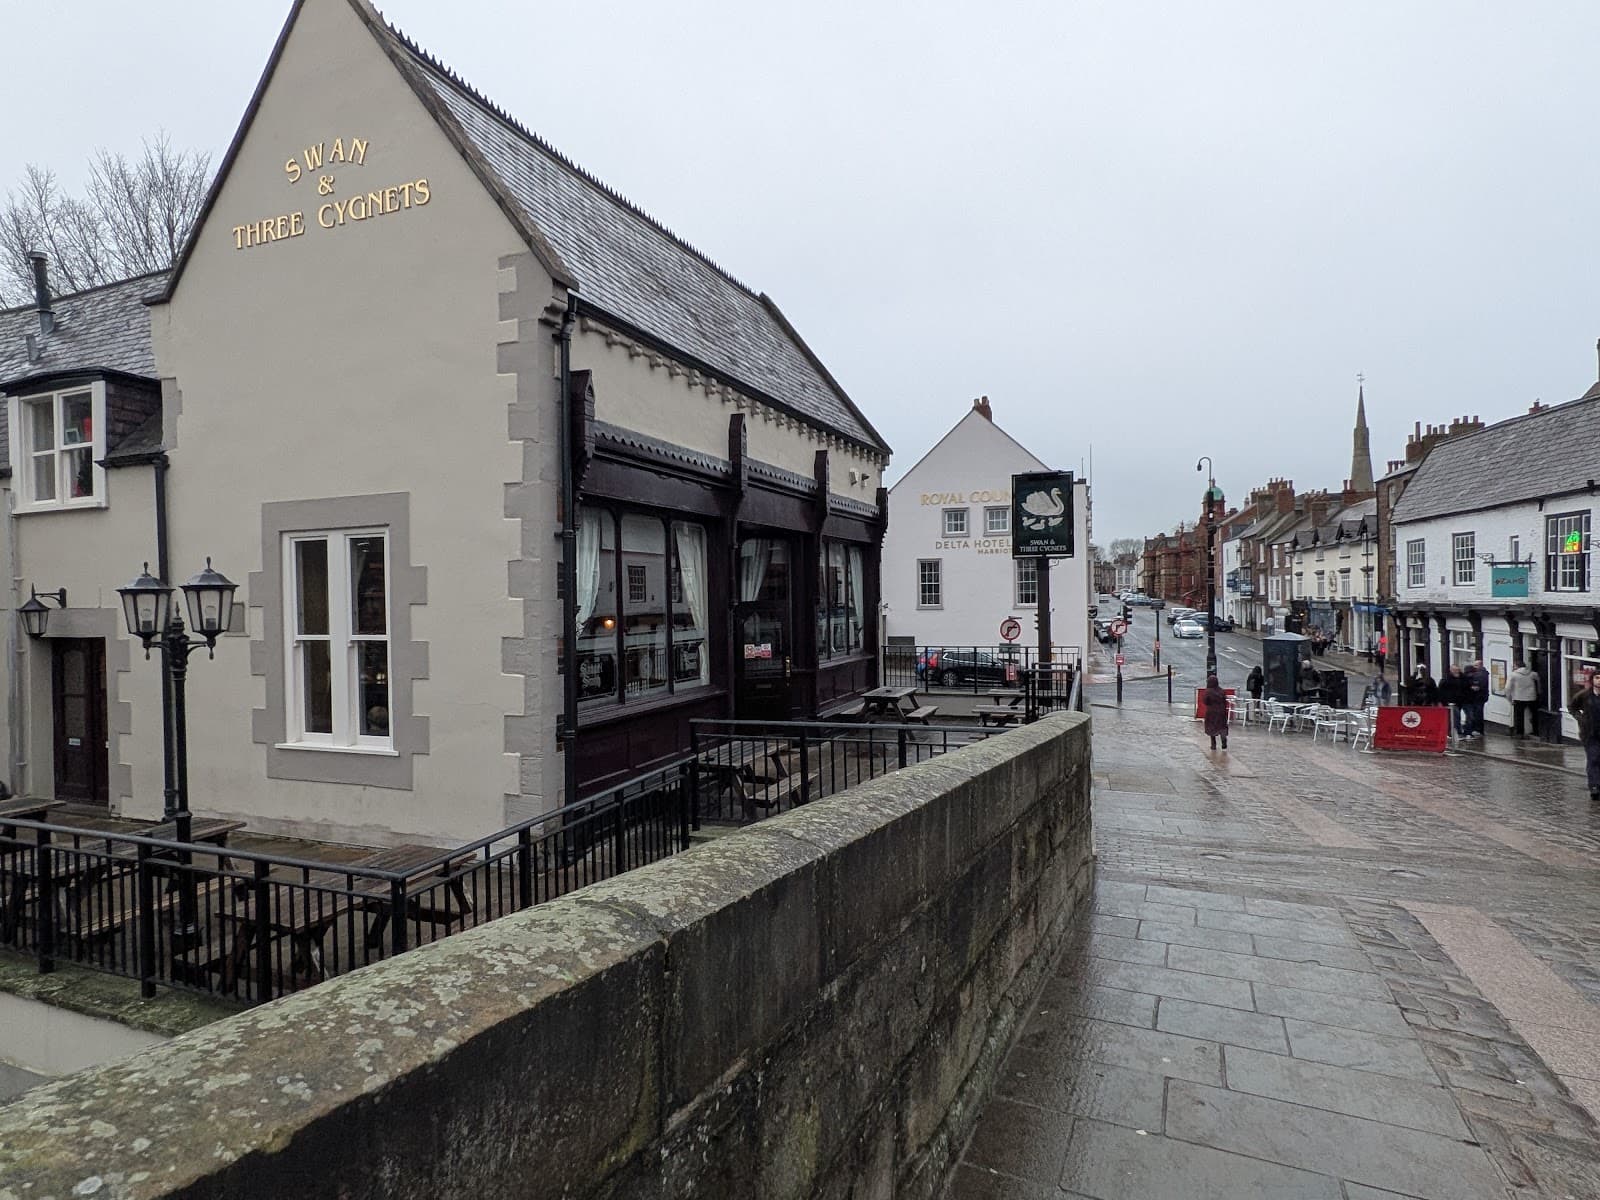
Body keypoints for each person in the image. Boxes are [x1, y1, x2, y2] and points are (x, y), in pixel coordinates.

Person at [1568, 670, 1600, 802]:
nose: (1599, 680)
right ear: (1592, 680)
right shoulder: (1584, 695)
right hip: (1590, 734)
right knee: (1593, 759)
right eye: (1597, 678)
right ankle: (1594, 787)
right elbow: (1572, 707)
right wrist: (1581, 719)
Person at [1508, 660, 1540, 738]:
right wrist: (1539, 691)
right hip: (1532, 697)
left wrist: (1509, 699)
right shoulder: (1533, 674)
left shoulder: (1513, 675)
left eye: (1514, 666)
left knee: (1519, 716)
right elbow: (1538, 681)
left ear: (1516, 666)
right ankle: (1536, 731)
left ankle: (1520, 733)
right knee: (1534, 714)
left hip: (1518, 698)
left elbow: (1507, 688)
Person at [1438, 665, 1466, 737]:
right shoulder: (1446, 679)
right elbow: (1440, 691)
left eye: (1457, 670)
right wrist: (1441, 701)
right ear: (1451, 670)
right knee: (1455, 717)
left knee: (1453, 717)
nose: (1456, 671)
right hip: (1450, 702)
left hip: (1460, 701)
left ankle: (1450, 732)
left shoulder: (1462, 678)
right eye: (1454, 670)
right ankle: (1457, 732)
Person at [1464, 659, 1490, 739]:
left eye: (1476, 665)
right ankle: (1476, 730)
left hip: (1479, 697)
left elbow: (1477, 687)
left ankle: (1477, 730)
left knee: (1477, 714)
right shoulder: (1482, 673)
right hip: (1480, 697)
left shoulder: (1480, 675)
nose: (1474, 667)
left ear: (1480, 665)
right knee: (1476, 713)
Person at [1203, 673, 1229, 751]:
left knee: (1212, 728)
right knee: (1222, 727)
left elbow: (1205, 701)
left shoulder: (1208, 691)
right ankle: (1224, 741)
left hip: (1211, 712)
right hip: (1221, 712)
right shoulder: (1221, 690)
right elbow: (1225, 701)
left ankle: (1213, 744)